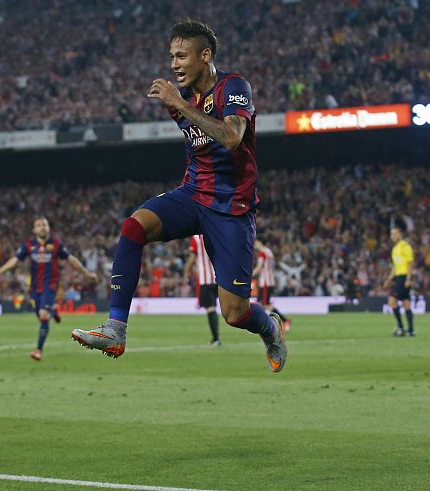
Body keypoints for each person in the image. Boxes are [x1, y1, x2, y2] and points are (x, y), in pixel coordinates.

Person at [71, 18, 287, 372]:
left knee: (234, 313)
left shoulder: (234, 87)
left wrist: (181, 104)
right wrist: (180, 103)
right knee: (133, 227)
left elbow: (232, 138)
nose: (174, 64)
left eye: (182, 56)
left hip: (231, 207)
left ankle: (270, 327)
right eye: (172, 56)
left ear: (205, 56)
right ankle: (115, 330)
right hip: (192, 194)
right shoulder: (179, 99)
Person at [0, 217, 98, 361]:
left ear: (48, 228)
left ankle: (38, 350)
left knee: (43, 315)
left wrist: (87, 273)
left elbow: (71, 260)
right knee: (42, 317)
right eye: (39, 225)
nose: (42, 227)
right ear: (34, 230)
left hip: (50, 287)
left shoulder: (56, 245)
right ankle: (53, 310)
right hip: (35, 288)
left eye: (44, 224)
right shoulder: (29, 245)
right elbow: (14, 260)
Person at [183, 234, 220, 346]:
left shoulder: (196, 238)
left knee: (210, 308)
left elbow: (193, 257)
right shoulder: (215, 234)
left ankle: (216, 339)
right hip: (217, 278)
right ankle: (216, 338)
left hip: (205, 280)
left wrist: (186, 272)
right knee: (212, 307)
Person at [384, 221, 415, 336]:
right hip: (398, 277)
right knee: (406, 303)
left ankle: (401, 328)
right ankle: (411, 330)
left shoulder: (405, 246)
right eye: (392, 234)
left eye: (395, 233)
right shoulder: (395, 249)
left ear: (400, 234)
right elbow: (395, 267)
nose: (393, 236)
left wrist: (408, 278)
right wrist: (389, 279)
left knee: (392, 301)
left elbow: (410, 264)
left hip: (404, 277)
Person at [253, 239, 290, 331]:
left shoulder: (263, 253)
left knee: (265, 304)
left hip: (265, 282)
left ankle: (284, 320)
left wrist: (250, 275)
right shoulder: (269, 252)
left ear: (261, 242)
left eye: (256, 242)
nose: (255, 244)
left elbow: (259, 267)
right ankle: (263, 323)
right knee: (260, 303)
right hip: (269, 280)